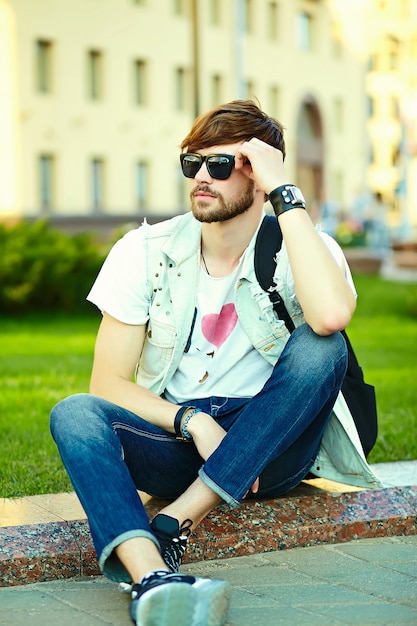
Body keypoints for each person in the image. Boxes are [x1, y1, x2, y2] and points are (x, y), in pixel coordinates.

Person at [50, 100, 382, 626]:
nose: (201, 177)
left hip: (273, 443)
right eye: (193, 163)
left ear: (260, 177)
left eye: (222, 166)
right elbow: (107, 383)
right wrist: (193, 421)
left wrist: (283, 193)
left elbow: (332, 315)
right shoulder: (144, 251)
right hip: (183, 440)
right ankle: (152, 578)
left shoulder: (304, 246)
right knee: (73, 411)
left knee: (325, 345)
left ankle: (181, 518)